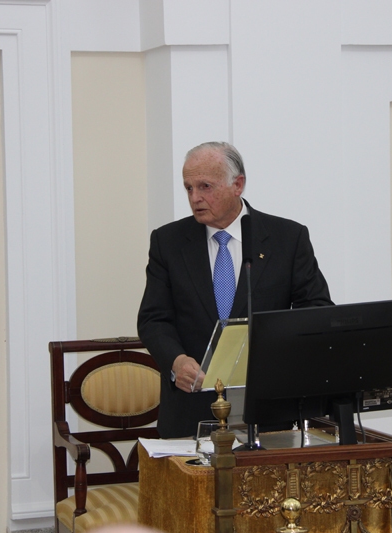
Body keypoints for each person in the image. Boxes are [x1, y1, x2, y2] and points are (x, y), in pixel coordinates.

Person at [137, 142, 332, 438]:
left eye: (205, 186)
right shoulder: (168, 242)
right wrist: (177, 362)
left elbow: (316, 309)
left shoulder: (286, 238)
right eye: (189, 188)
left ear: (237, 184)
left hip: (268, 411)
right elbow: (153, 319)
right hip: (191, 410)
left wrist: (279, 353)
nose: (195, 198)